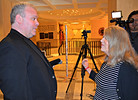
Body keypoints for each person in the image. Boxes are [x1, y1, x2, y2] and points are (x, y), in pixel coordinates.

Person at [0, 3, 57, 100]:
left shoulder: (24, 41)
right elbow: (15, 93)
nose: (38, 23)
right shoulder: (10, 46)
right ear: (19, 19)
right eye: (33, 18)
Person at [82, 26, 138, 100]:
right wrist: (87, 68)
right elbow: (101, 80)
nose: (101, 40)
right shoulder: (107, 62)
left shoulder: (126, 69)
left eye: (106, 38)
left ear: (116, 43)